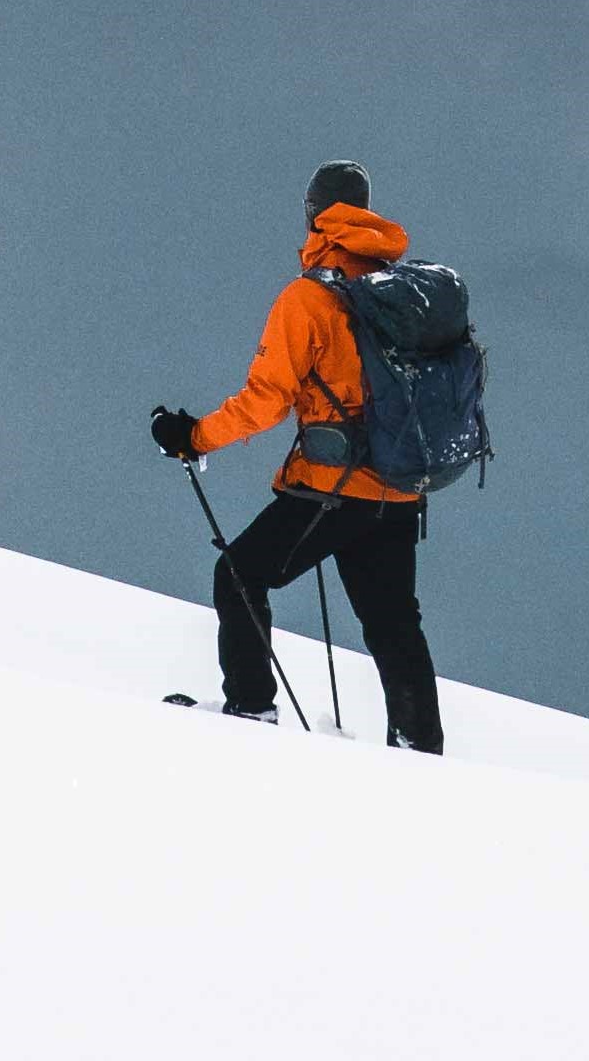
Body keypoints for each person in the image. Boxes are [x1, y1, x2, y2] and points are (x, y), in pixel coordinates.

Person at [150, 162, 444, 750]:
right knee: (393, 624)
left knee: (237, 576)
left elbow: (267, 401)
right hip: (401, 487)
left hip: (331, 489)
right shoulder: (404, 292)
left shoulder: (309, 298)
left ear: (314, 214)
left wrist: (193, 437)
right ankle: (420, 748)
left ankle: (252, 710)